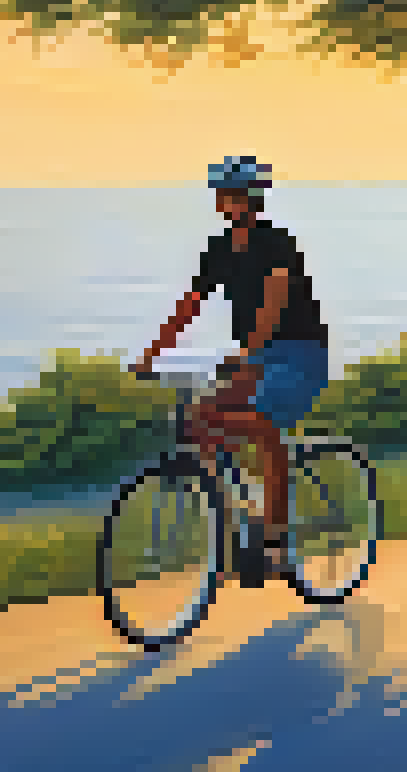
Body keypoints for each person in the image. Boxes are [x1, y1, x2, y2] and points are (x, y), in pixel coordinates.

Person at [131, 156, 331, 587]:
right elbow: (190, 304)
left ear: (255, 198)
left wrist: (250, 351)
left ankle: (275, 544)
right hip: (255, 356)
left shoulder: (277, 243)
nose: (230, 201)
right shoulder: (219, 249)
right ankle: (234, 523)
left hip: (300, 353)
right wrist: (151, 355)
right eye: (224, 194)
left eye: (238, 194)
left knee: (262, 423)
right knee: (201, 418)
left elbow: (275, 297)